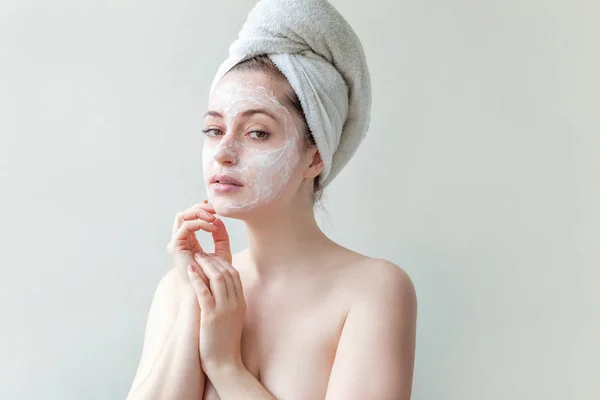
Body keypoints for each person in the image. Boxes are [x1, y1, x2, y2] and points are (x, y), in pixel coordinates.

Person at [126, 1, 416, 399]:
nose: (224, 151)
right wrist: (197, 297)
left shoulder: (373, 290)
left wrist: (225, 366)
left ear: (315, 156)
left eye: (257, 132)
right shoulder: (177, 289)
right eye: (213, 129)